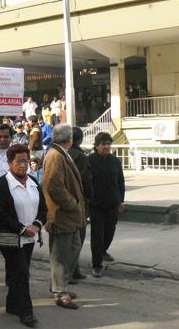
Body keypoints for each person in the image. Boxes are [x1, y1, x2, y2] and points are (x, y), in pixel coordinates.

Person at [0, 144, 46, 328]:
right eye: (18, 161)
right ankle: (26, 312)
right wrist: (22, 228)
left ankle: (12, 304)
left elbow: (43, 208)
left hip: (31, 238)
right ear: (9, 163)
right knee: (21, 274)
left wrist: (37, 225)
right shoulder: (2, 184)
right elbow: (0, 214)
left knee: (18, 273)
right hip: (10, 239)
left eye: (25, 161)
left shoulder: (33, 181)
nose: (23, 165)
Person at [42, 124, 86, 310]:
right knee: (61, 255)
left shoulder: (60, 153)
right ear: (69, 139)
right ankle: (60, 292)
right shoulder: (55, 155)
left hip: (70, 215)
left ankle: (61, 286)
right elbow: (54, 186)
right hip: (61, 214)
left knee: (72, 250)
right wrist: (72, 204)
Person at [89, 132, 125, 278]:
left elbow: (120, 182)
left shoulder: (115, 161)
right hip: (96, 204)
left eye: (108, 144)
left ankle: (103, 251)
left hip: (112, 203)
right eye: (103, 144)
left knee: (110, 231)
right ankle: (97, 264)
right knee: (97, 234)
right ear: (97, 146)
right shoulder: (90, 160)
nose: (106, 147)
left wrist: (121, 200)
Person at [68, 127, 92, 282]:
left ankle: (73, 269)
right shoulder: (80, 156)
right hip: (78, 201)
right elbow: (85, 180)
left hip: (68, 201)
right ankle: (71, 271)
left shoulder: (63, 154)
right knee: (77, 238)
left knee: (71, 238)